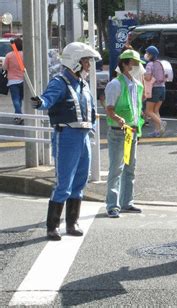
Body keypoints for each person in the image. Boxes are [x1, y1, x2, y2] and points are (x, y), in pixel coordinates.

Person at [30, 42, 100, 240]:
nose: (89, 64)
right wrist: (40, 102)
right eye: (86, 60)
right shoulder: (59, 82)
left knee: (80, 180)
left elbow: (91, 110)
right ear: (76, 61)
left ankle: (72, 222)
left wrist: (92, 129)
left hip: (84, 136)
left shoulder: (83, 84)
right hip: (67, 135)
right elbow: (47, 99)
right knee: (64, 182)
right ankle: (52, 226)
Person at [104, 50, 145, 218]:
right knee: (116, 169)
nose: (138, 67)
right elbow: (109, 108)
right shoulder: (115, 84)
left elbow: (137, 109)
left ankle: (127, 202)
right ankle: (112, 205)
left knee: (130, 168)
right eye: (135, 64)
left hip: (132, 132)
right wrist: (118, 118)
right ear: (125, 64)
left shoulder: (137, 85)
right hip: (118, 132)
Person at [144, 45, 167, 137]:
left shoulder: (150, 64)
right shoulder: (160, 63)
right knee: (156, 110)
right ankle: (157, 131)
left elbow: (148, 78)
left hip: (154, 89)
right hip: (162, 88)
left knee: (148, 111)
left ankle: (161, 123)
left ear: (151, 55)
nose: (146, 55)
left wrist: (144, 76)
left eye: (147, 53)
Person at [3, 37, 24, 124]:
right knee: (19, 99)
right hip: (23, 80)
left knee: (15, 99)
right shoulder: (25, 54)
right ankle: (18, 116)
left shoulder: (9, 55)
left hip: (12, 80)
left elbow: (4, 67)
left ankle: (18, 116)